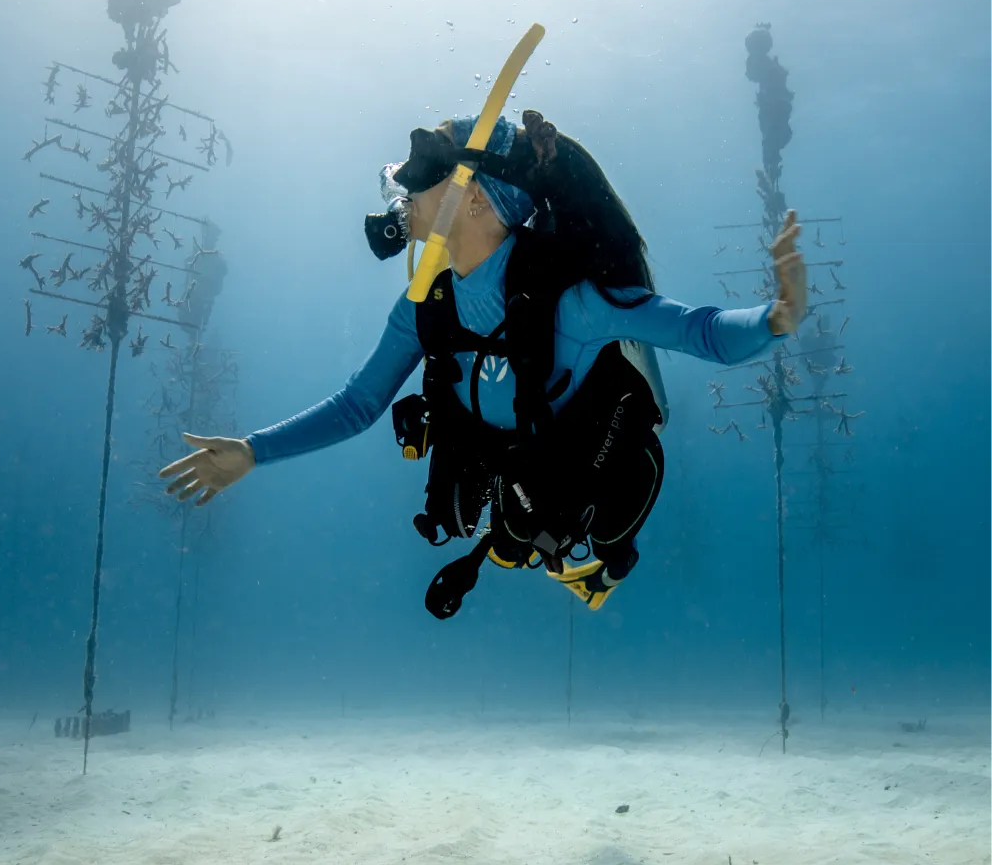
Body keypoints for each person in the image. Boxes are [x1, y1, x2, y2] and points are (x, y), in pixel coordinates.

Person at [159, 113, 806, 618]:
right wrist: (252, 451)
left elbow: (700, 331)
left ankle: (607, 555)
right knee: (493, 509)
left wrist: (776, 316)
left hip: (581, 469)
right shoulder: (425, 307)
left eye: (424, 168)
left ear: (474, 199)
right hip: (508, 465)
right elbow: (359, 405)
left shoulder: (571, 303)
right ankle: (537, 533)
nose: (403, 185)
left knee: (556, 508)